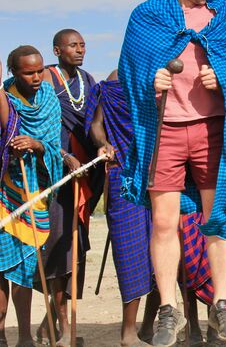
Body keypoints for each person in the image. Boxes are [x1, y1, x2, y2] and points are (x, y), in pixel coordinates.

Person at [118, 0, 226, 346]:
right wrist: (150, 81)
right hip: (166, 131)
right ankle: (168, 308)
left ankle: (222, 306)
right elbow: (130, 71)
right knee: (163, 221)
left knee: (219, 216)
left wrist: (222, 77)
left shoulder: (223, 13)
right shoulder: (147, 16)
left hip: (212, 129)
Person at [37, 28, 105, 343]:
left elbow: (94, 122)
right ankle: (61, 321)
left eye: (82, 45)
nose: (79, 50)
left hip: (84, 170)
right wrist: (62, 155)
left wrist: (104, 147)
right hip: (55, 171)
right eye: (73, 46)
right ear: (56, 50)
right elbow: (39, 125)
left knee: (75, 245)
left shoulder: (88, 80)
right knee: (58, 242)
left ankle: (55, 315)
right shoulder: (47, 78)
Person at [86, 70, 160, 346]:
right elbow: (97, 123)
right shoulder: (115, 80)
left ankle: (149, 328)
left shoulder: (165, 76)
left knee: (162, 254)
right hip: (122, 173)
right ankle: (128, 332)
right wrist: (104, 144)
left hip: (161, 172)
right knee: (130, 254)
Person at [0, 47, 63, 347]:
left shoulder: (50, 99)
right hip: (4, 191)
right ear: (13, 72)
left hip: (33, 190)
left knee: (25, 266)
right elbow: (5, 132)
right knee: (1, 264)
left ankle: (24, 336)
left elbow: (53, 145)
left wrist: (36, 145)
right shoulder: (5, 98)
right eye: (28, 72)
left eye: (40, 70)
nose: (37, 77)